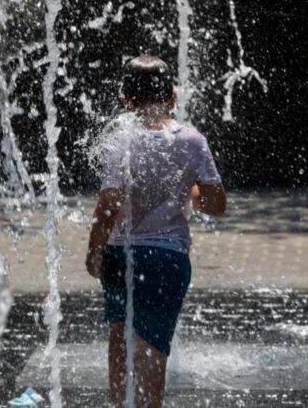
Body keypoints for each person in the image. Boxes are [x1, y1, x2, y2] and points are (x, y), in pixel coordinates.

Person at [85, 55, 226, 408]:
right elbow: (216, 203)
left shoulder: (119, 137)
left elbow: (109, 201)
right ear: (173, 97)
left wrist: (94, 248)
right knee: (153, 346)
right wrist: (183, 188)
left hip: (120, 255)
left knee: (120, 335)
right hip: (166, 258)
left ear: (125, 98)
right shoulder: (192, 140)